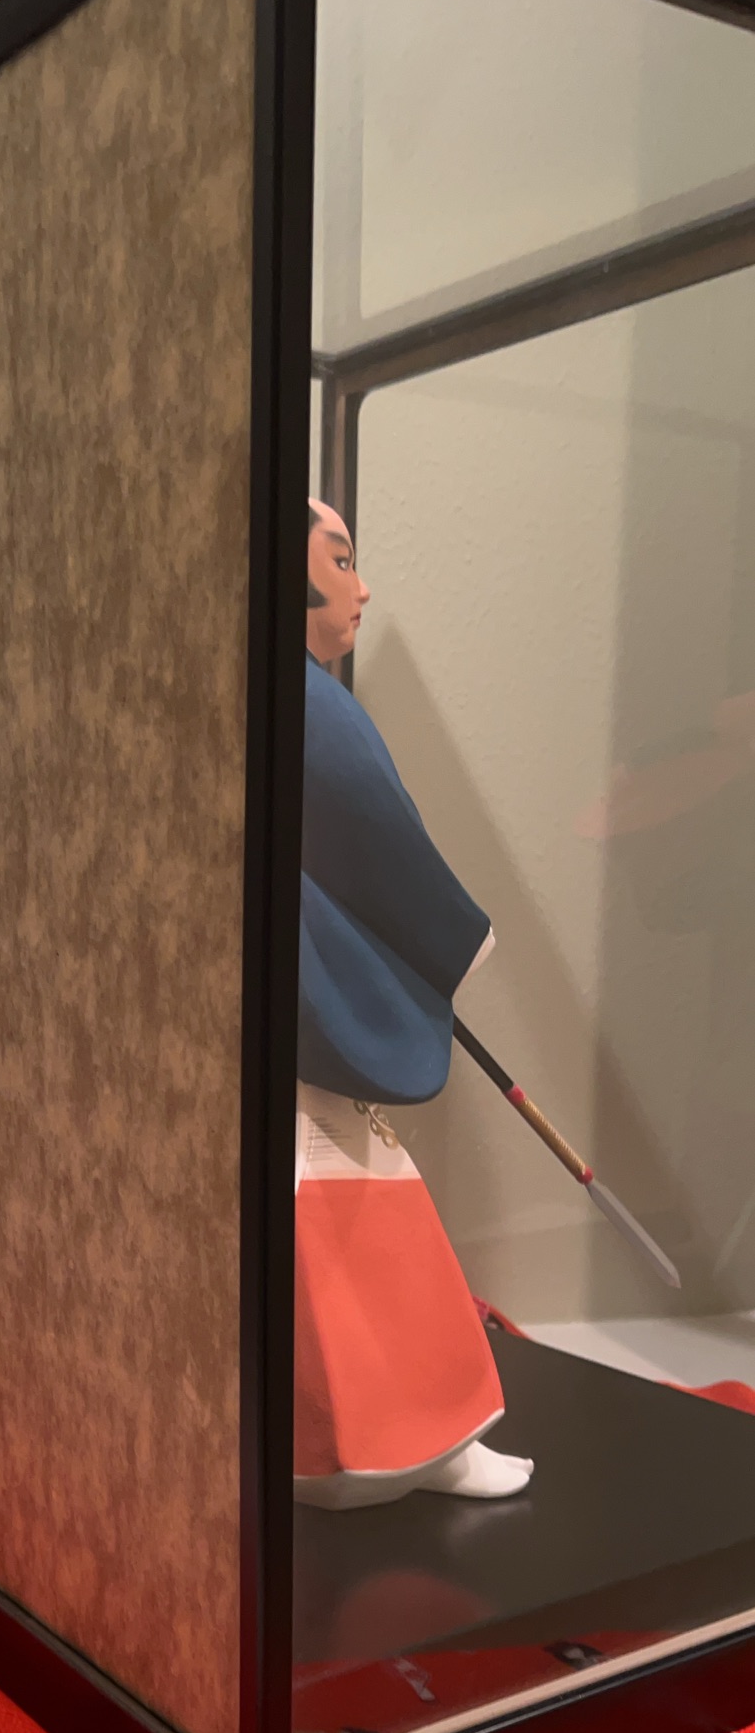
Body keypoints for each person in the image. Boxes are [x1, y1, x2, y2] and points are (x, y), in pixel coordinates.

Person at [296, 500, 532, 1508]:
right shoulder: (303, 703)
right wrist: (446, 944)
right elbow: (382, 836)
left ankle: (398, 1442)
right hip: (292, 997)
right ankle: (407, 1443)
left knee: (334, 1217)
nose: (360, 588)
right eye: (339, 560)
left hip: (285, 994)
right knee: (347, 1217)